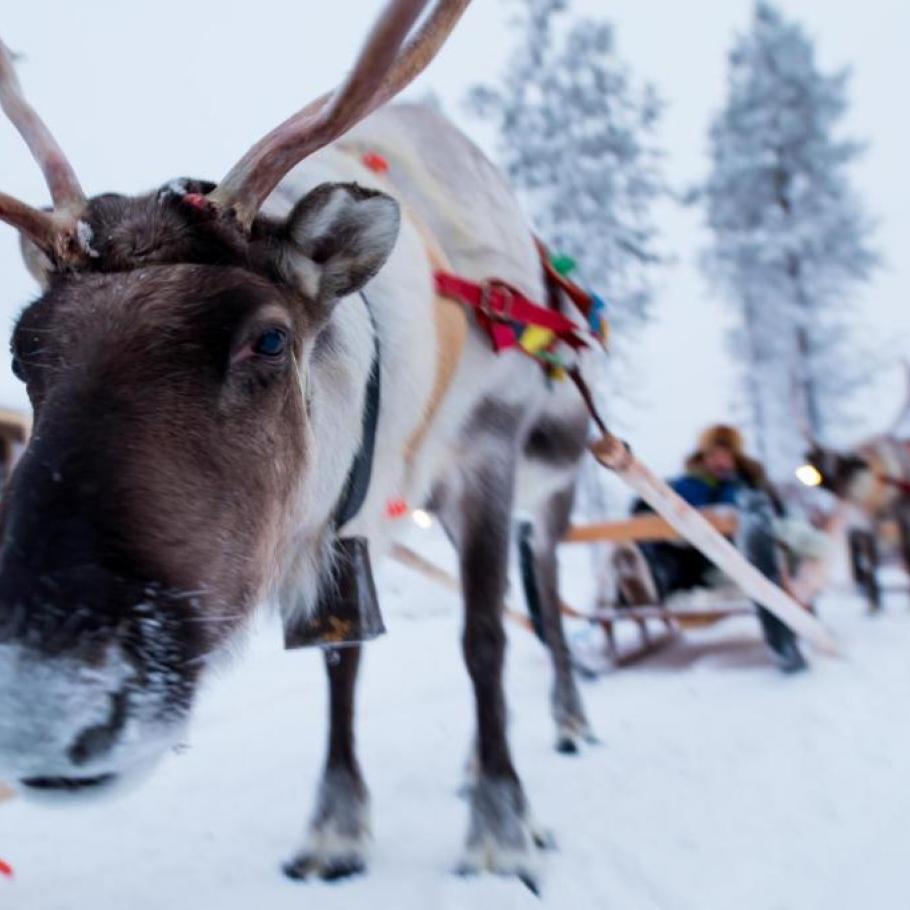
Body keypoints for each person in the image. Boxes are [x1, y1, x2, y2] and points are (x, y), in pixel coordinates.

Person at [612, 424, 807, 673]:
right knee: (659, 544)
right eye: (713, 455)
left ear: (735, 458)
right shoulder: (685, 485)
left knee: (760, 539)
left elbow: (777, 516)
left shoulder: (748, 487)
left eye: (725, 456)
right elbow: (647, 506)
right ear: (703, 458)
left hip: (741, 555)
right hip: (694, 557)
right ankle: (642, 581)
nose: (720, 461)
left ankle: (783, 625)